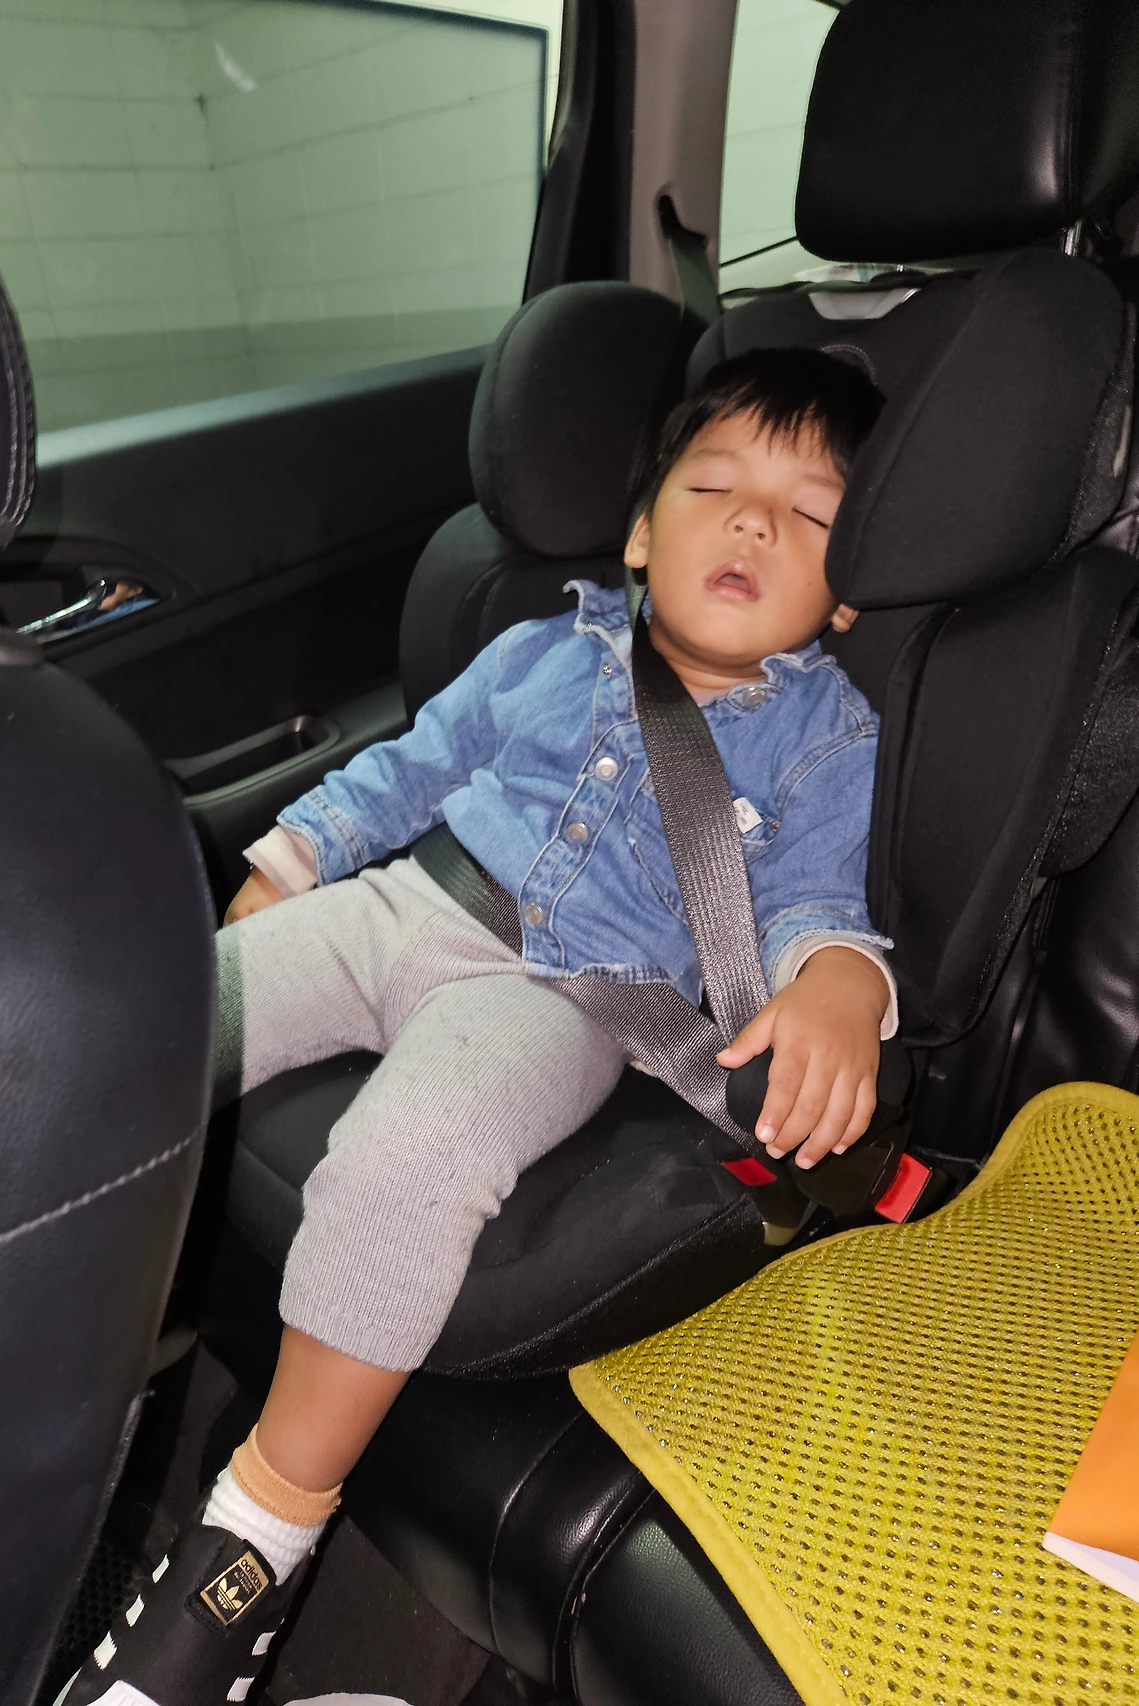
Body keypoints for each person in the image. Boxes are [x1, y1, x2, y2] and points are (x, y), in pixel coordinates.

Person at [61, 347, 896, 1706]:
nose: (753, 522)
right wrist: (293, 857)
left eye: (807, 515)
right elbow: (412, 767)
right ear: (642, 533)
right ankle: (31, 1312)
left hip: (561, 999)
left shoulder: (825, 737)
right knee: (162, 1025)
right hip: (402, 904)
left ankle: (257, 1539)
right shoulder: (542, 649)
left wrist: (842, 986)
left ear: (844, 596)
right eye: (714, 488)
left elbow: (819, 905)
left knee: (412, 1155)